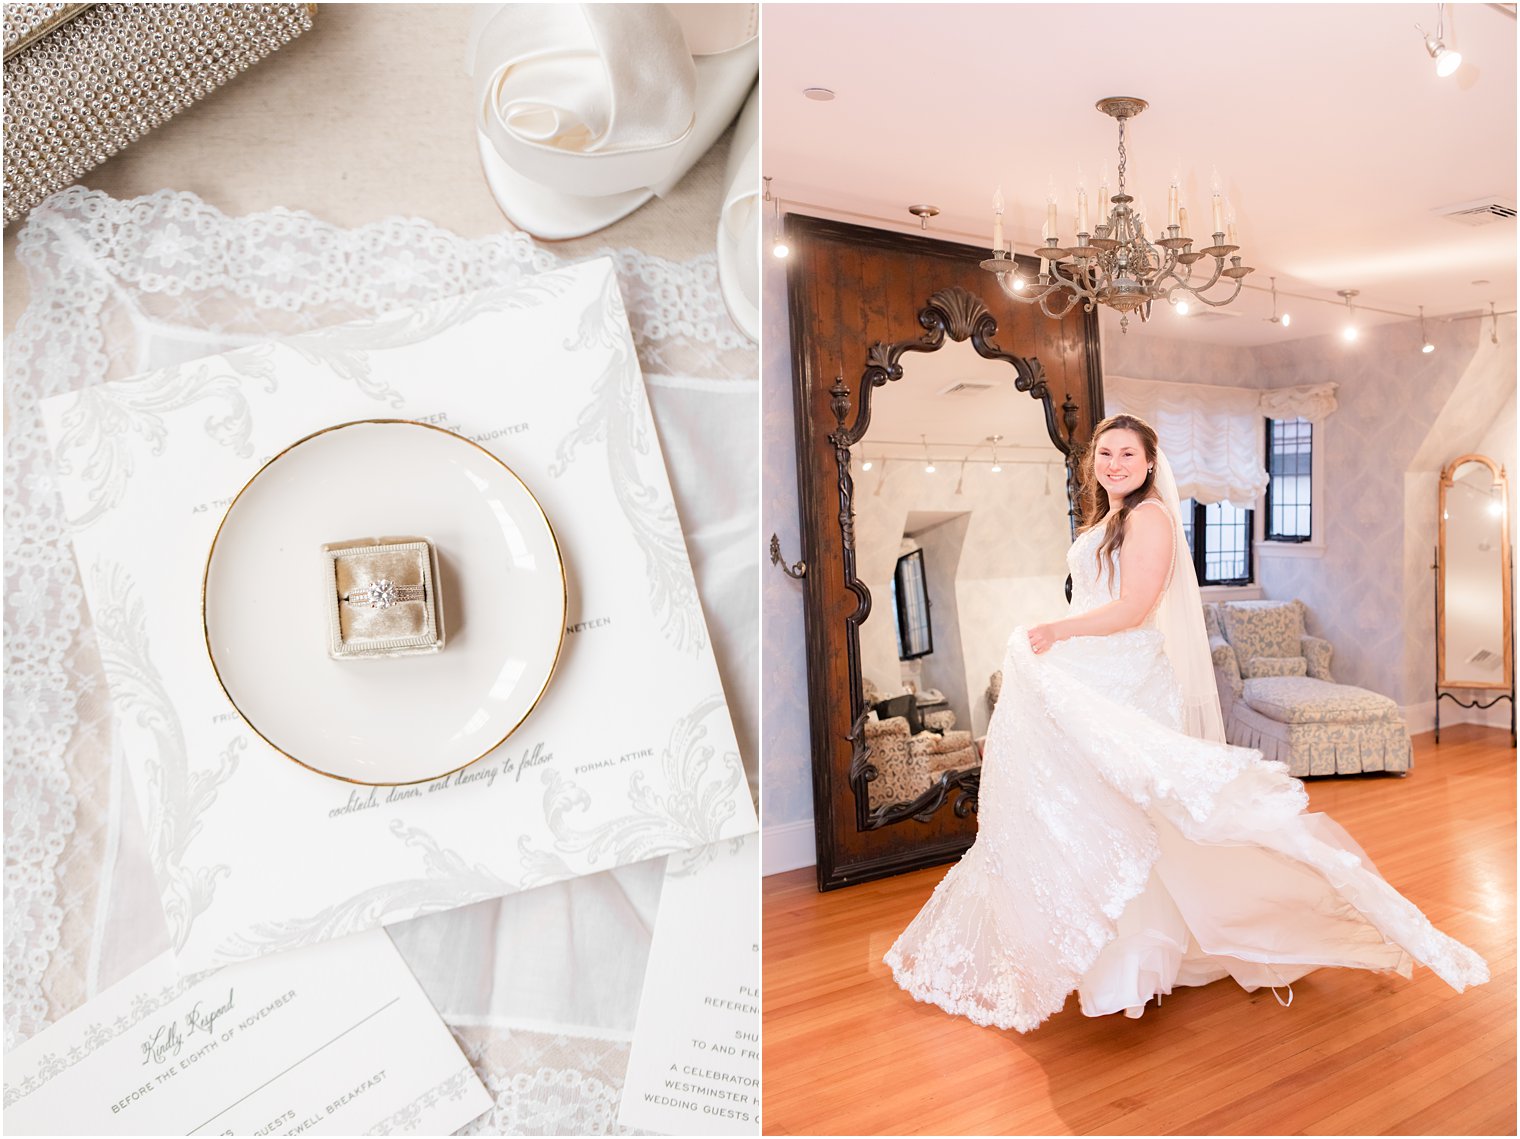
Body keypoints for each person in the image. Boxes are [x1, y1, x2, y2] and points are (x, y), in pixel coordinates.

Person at [884, 414, 1488, 1032]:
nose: (1113, 464)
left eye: (1127, 454)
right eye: (1105, 454)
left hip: (1127, 675)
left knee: (1133, 813)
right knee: (1102, 812)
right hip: (1100, 667)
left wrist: (1054, 632)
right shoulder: (1110, 519)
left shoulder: (1149, 518)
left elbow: (1135, 606)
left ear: (1150, 464)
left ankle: (1138, 965)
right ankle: (1112, 956)